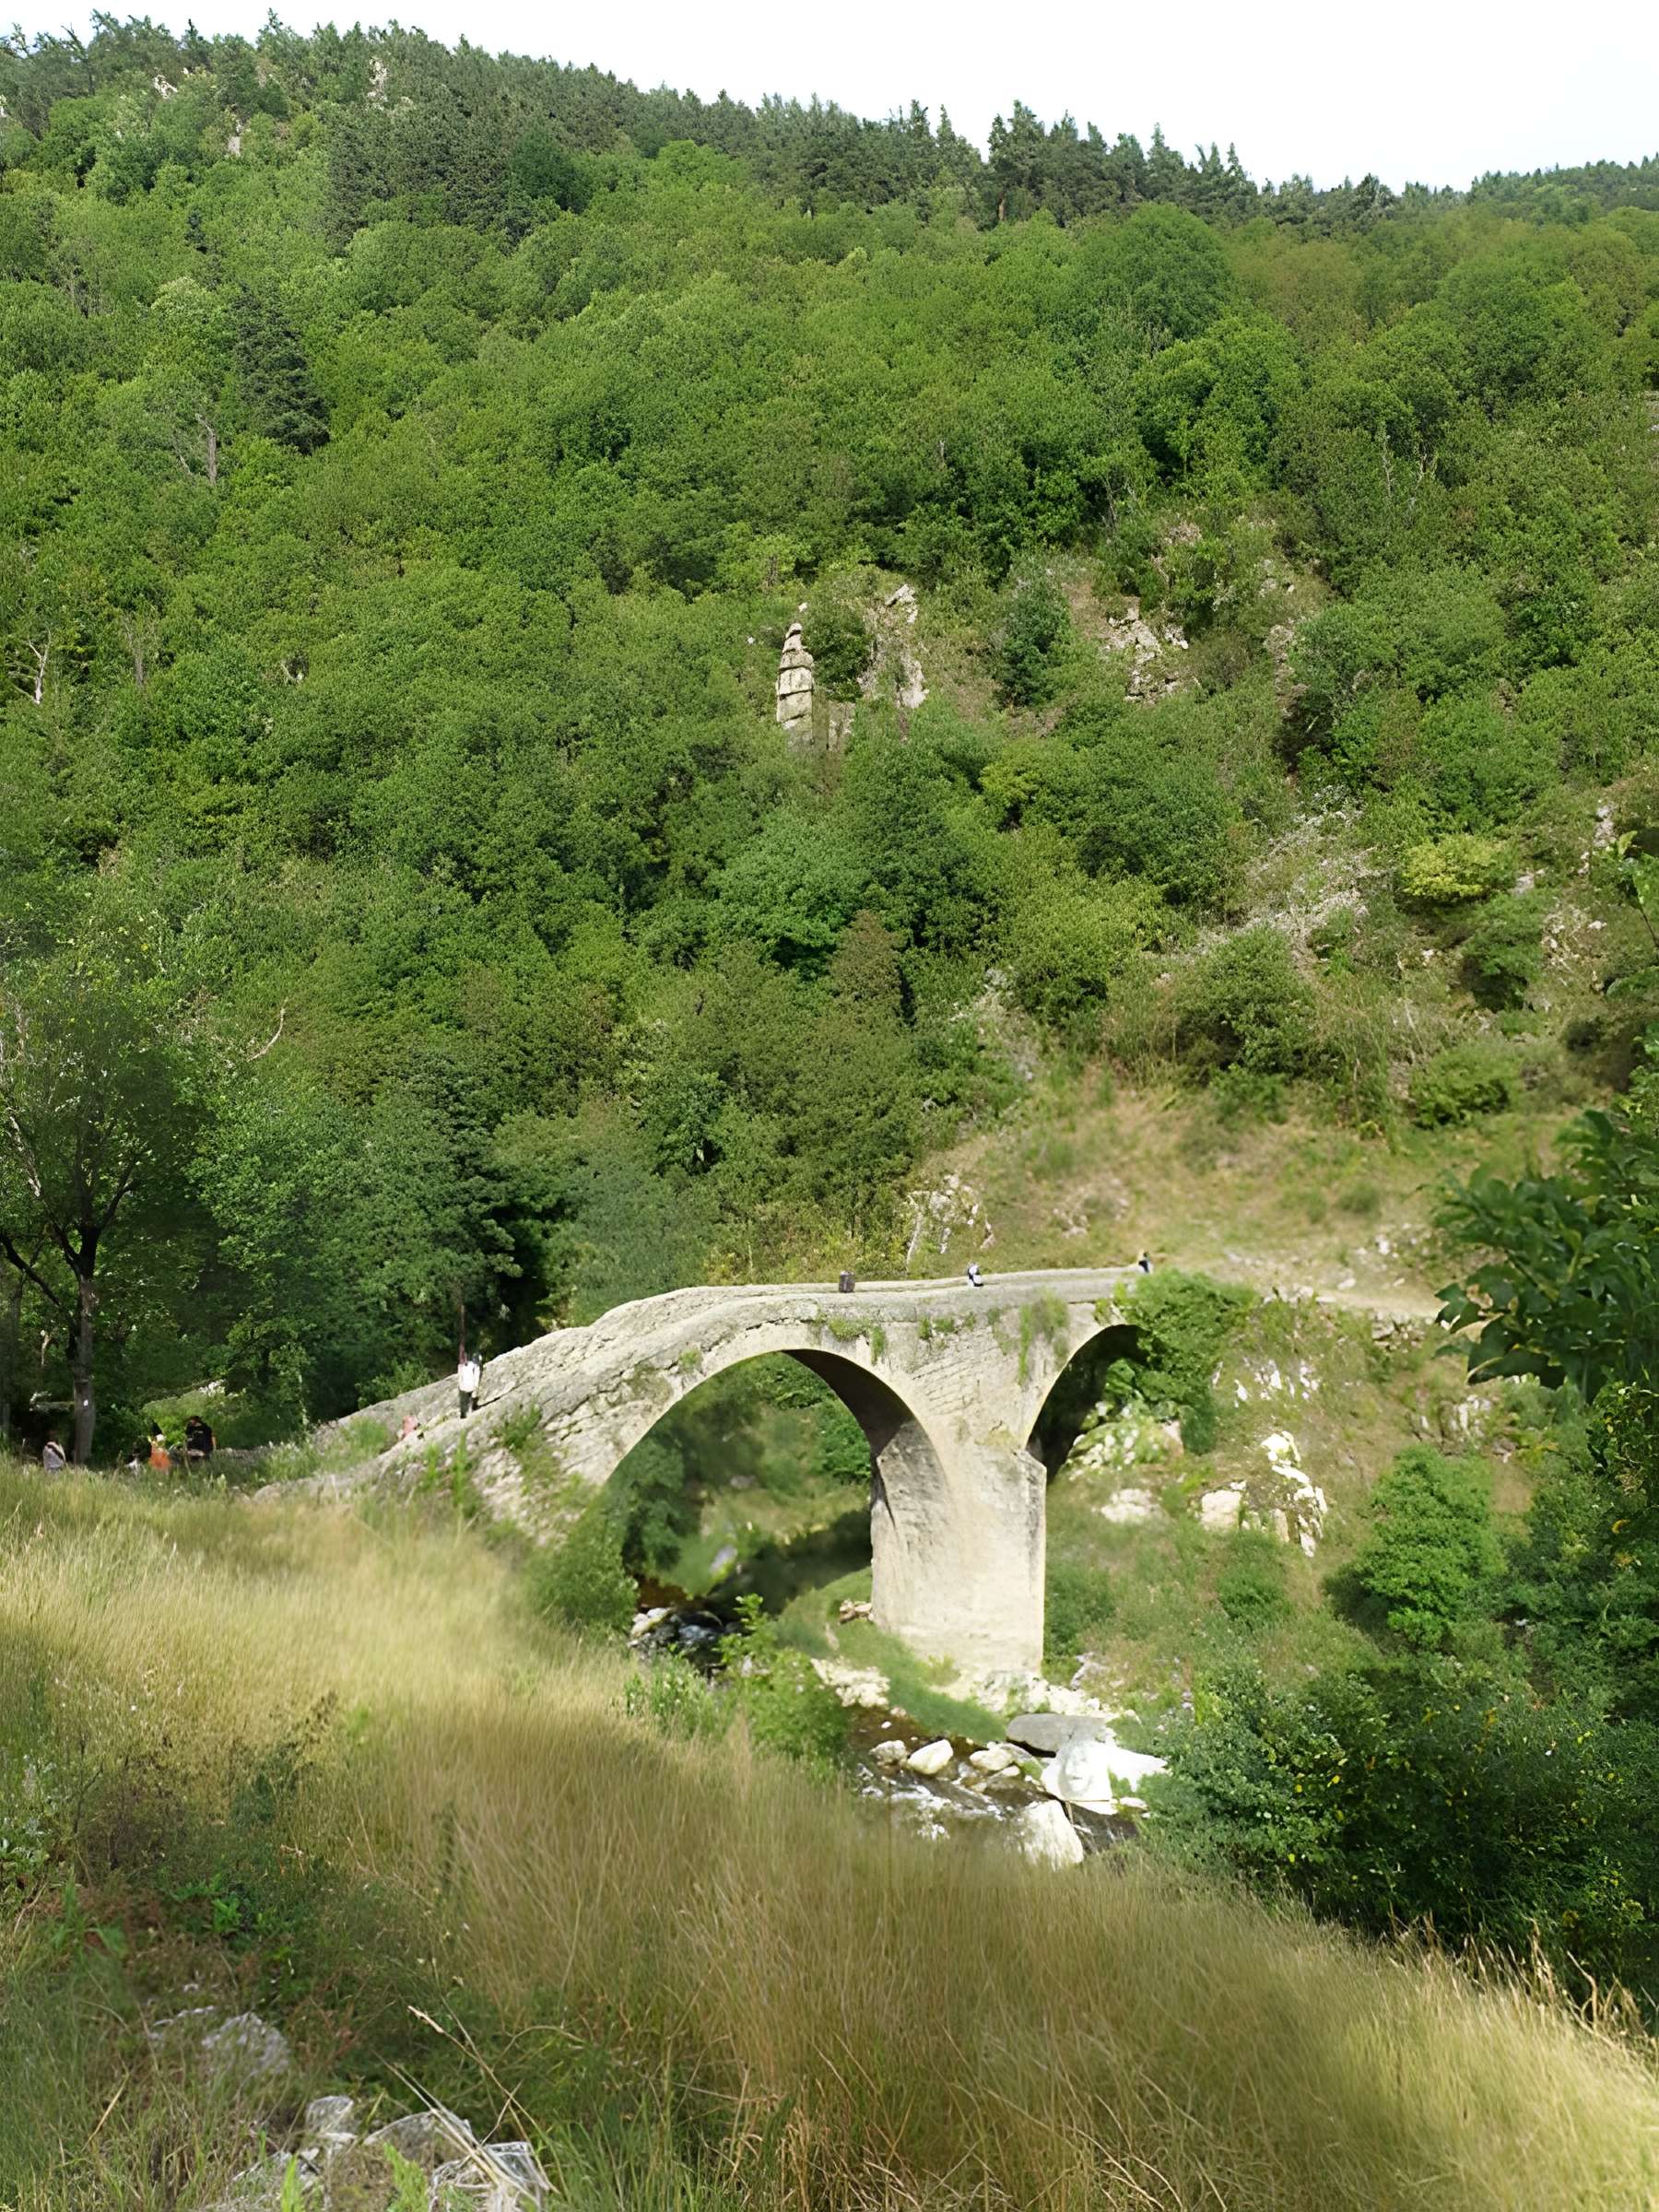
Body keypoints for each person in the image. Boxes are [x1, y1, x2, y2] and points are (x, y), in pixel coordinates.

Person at [457, 1348, 482, 1419]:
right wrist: (460, 1384)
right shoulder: (461, 1366)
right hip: (464, 1385)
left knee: (471, 1397)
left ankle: (471, 1409)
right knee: (464, 1400)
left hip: (470, 1384)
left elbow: (475, 1375)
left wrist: (475, 1384)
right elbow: (460, 1376)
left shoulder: (472, 1366)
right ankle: (464, 1413)